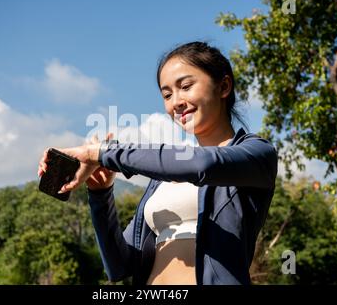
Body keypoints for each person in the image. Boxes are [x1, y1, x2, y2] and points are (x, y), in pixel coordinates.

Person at [38, 41, 278, 285]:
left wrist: (101, 152)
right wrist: (100, 195)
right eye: (167, 94)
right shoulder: (161, 179)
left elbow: (203, 166)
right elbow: (119, 266)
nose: (176, 102)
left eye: (185, 86)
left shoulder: (256, 154)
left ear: (224, 86)